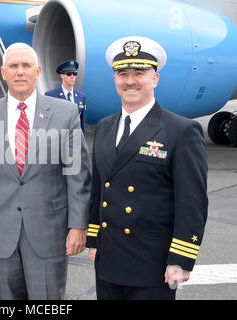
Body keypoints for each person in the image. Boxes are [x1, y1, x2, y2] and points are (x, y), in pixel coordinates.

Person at [0, 43, 91, 300]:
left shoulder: (65, 113)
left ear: (37, 71)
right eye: (13, 66)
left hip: (49, 231)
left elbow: (77, 175)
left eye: (26, 66)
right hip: (0, 231)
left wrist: (78, 226)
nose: (20, 72)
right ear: (3, 71)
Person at [86, 36, 208, 300]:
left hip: (153, 265)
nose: (130, 80)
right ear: (115, 79)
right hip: (108, 260)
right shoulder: (105, 127)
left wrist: (181, 259)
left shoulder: (181, 130)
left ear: (155, 79)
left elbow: (192, 201)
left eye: (139, 73)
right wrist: (94, 241)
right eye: (122, 73)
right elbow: (98, 190)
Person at [45, 60, 87, 133]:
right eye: (69, 74)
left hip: (74, 140)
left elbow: (82, 123)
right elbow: (46, 122)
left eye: (74, 74)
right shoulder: (50, 95)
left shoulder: (81, 97)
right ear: (62, 75)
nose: (72, 76)